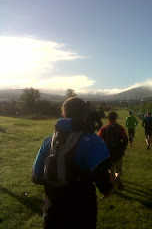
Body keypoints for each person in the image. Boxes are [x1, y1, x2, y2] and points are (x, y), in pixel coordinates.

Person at [32, 97, 113, 229]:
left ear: (63, 115)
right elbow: (103, 179)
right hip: (82, 210)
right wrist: (108, 189)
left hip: (52, 209)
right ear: (85, 115)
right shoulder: (93, 140)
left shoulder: (49, 141)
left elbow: (36, 176)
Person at [99, 111, 128, 191]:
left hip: (107, 152)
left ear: (108, 118)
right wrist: (122, 149)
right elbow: (125, 139)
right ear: (116, 117)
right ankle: (117, 178)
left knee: (111, 171)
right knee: (118, 170)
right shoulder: (120, 128)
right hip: (118, 151)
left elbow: (99, 140)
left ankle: (113, 188)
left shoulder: (104, 129)